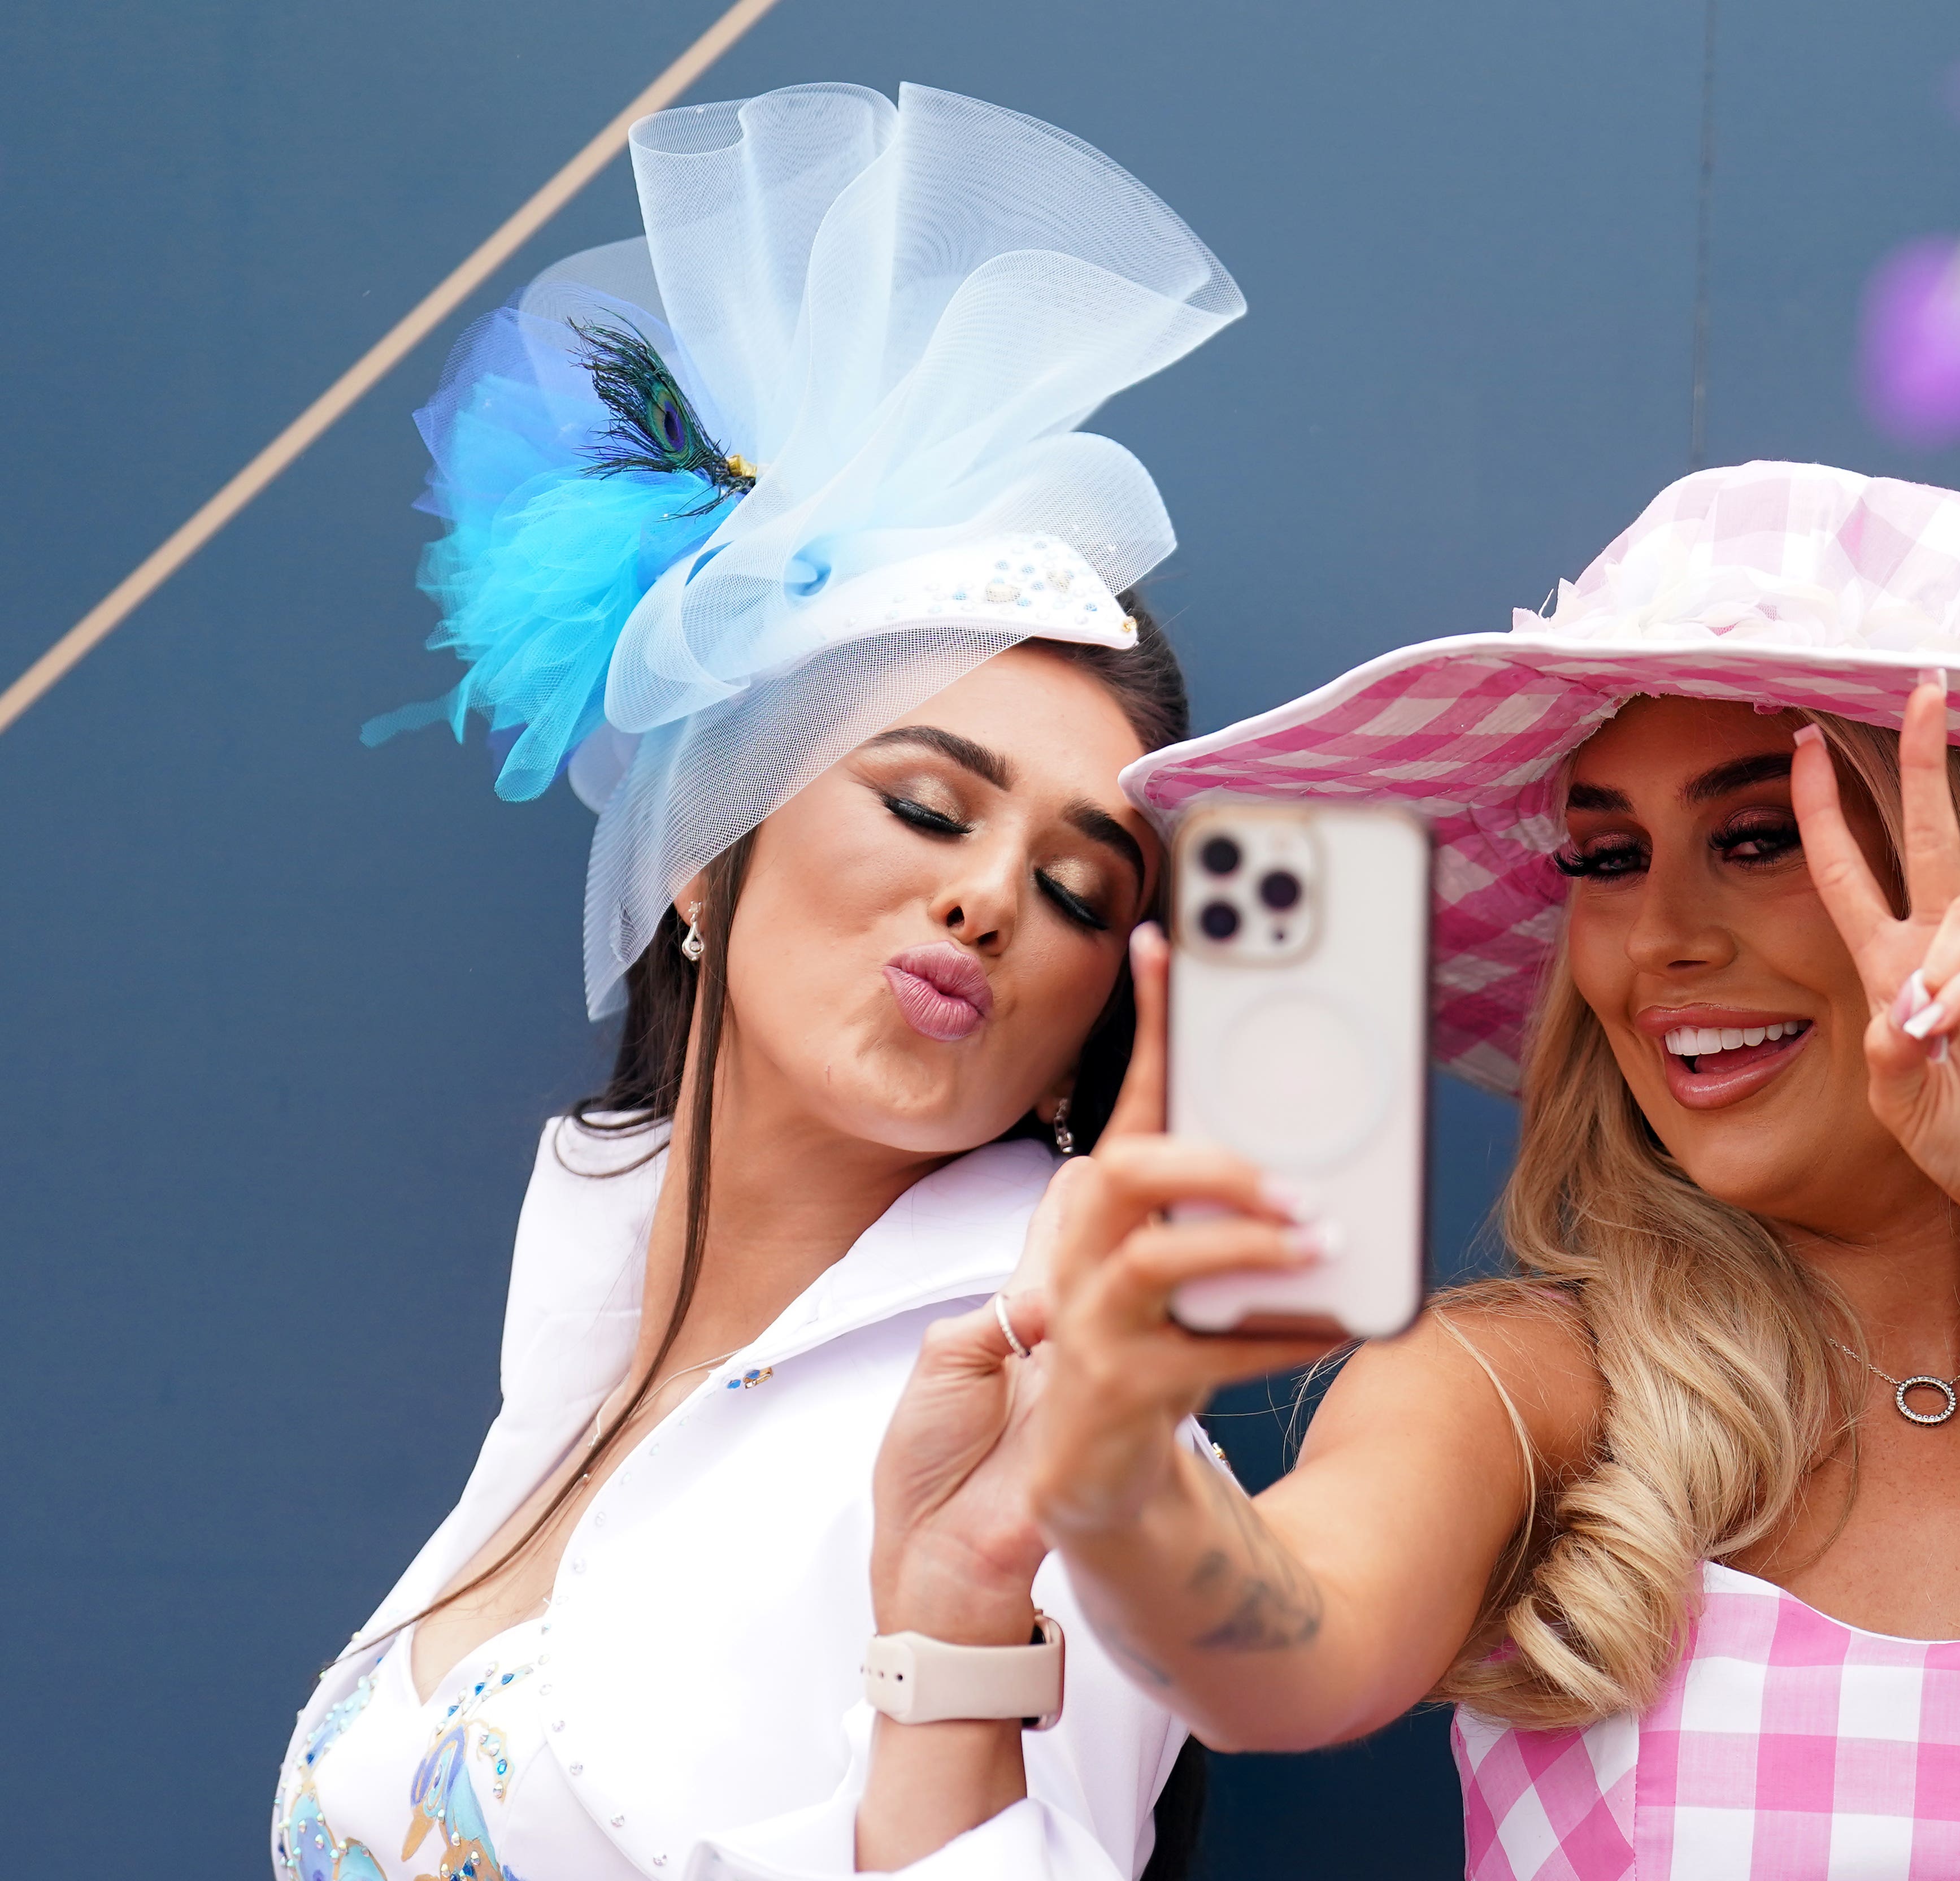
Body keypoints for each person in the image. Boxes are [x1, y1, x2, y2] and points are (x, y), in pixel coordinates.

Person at [1019, 463, 1960, 1880]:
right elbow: (1271, 1661)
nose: (1663, 940)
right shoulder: (1530, 1389)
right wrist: (1117, 1469)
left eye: (1761, 837)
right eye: (1606, 858)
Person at [272, 81, 1244, 1881]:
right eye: (926, 801)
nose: (983, 901)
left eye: (1074, 887)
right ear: (705, 853)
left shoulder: (1066, 1401)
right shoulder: (581, 1295)